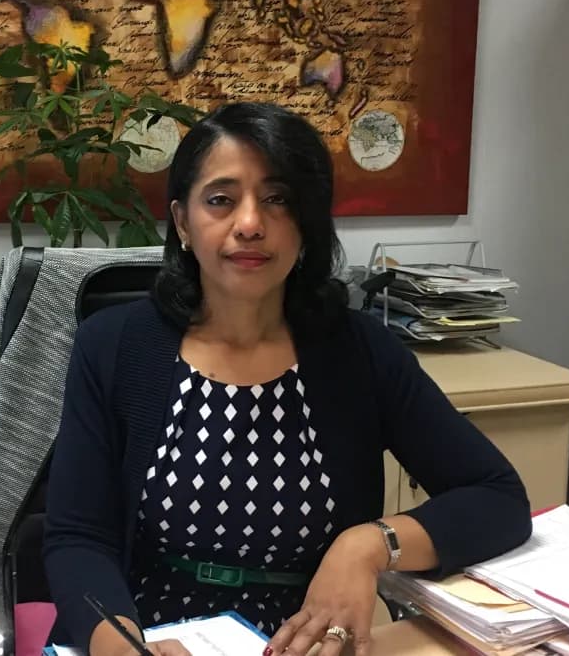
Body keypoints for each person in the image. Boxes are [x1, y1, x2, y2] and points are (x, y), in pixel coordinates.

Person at [43, 102, 532, 656]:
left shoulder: (359, 352)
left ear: (306, 222)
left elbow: (498, 498)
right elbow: (78, 537)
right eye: (221, 200)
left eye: (278, 199)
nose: (250, 224)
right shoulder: (114, 346)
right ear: (182, 223)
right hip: (141, 632)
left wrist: (369, 545)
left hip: (304, 644)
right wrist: (122, 648)